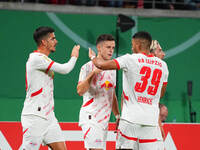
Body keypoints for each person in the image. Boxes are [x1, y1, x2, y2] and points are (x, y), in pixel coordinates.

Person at [89, 31, 169, 150]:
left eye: (132, 44)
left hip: (130, 119)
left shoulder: (130, 59)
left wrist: (93, 57)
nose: (131, 47)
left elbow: (101, 65)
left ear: (138, 45)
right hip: (151, 122)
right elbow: (160, 94)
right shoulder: (163, 66)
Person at [21, 26, 80, 150]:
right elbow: (65, 69)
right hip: (34, 117)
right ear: (44, 42)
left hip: (49, 117)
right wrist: (74, 56)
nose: (56, 41)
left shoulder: (45, 60)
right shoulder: (36, 59)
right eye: (53, 38)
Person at [77, 34, 120, 150]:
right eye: (108, 47)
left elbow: (112, 94)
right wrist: (93, 74)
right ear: (99, 48)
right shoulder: (87, 67)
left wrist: (117, 115)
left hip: (104, 121)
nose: (111, 50)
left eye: (113, 47)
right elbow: (80, 91)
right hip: (90, 117)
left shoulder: (113, 69)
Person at [150, 40, 168, 150]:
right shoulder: (163, 67)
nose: (163, 53)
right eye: (160, 50)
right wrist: (159, 124)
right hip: (147, 122)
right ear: (152, 53)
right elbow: (160, 95)